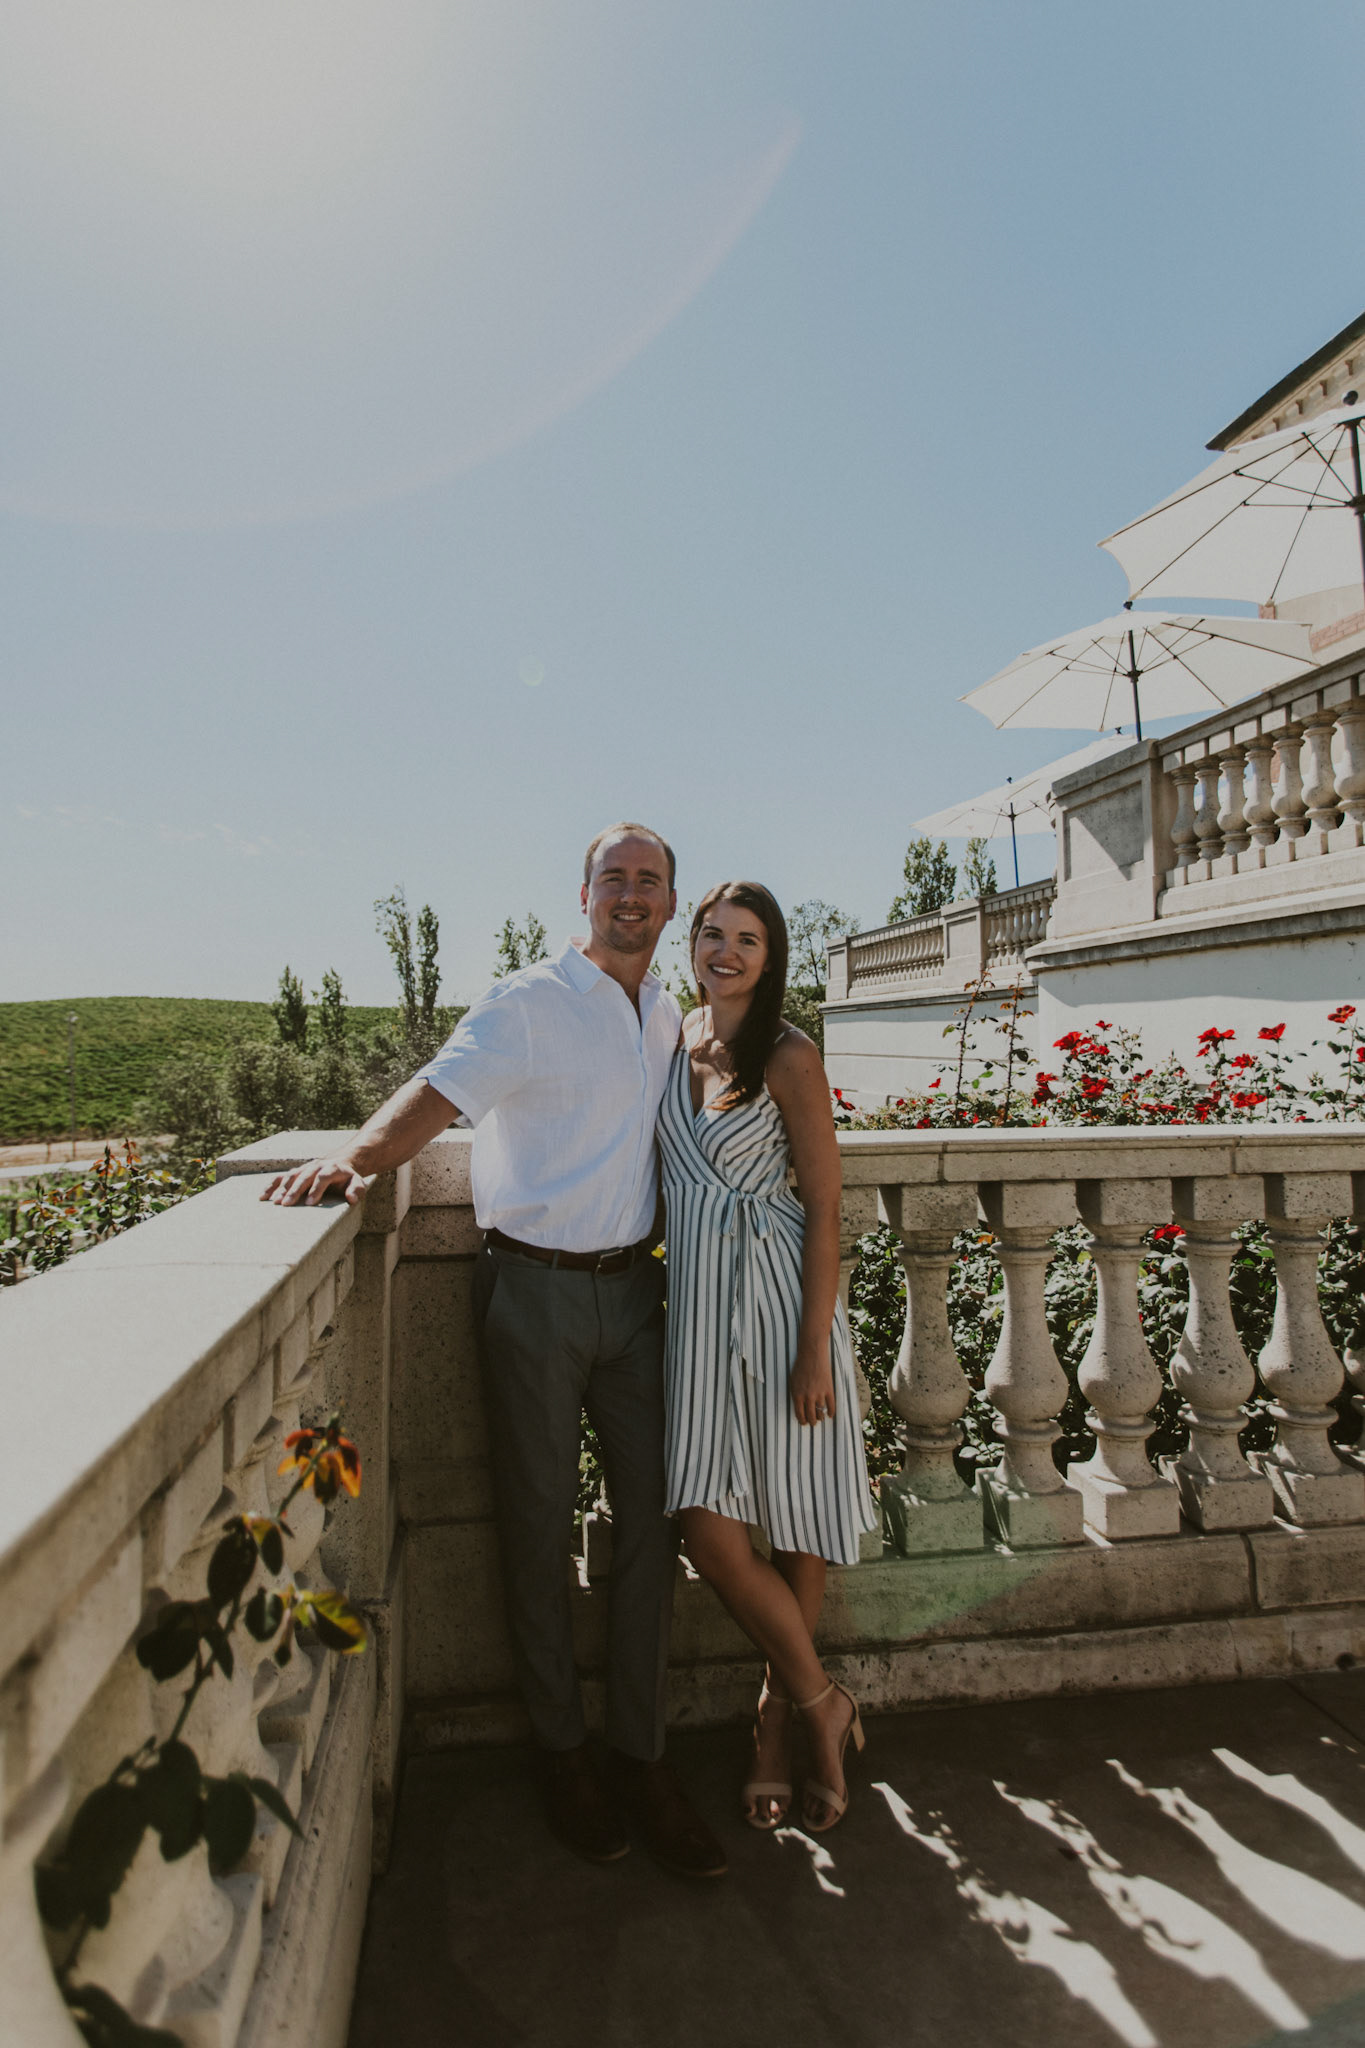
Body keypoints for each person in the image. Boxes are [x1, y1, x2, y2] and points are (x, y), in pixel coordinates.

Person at [261, 824, 726, 1880]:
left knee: (656, 1518)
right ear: (586, 891)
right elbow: (440, 1090)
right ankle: (562, 1752)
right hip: (531, 1289)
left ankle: (643, 1754)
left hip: (638, 1295)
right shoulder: (530, 999)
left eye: (651, 881)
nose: (633, 895)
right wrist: (357, 1156)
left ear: (669, 901)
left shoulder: (667, 1013)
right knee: (533, 1516)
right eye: (617, 877)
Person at [658, 881, 877, 1833]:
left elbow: (824, 1205)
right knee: (708, 1531)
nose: (727, 952)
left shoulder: (789, 1054)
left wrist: (813, 1351)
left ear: (770, 955)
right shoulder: (668, 1048)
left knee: (795, 1519)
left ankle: (774, 1725)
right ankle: (821, 1698)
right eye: (713, 934)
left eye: (748, 940)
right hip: (699, 1319)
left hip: (785, 1306)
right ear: (692, 944)